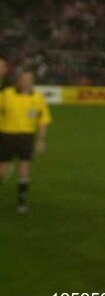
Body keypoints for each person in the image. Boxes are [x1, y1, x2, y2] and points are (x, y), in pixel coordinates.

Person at [0, 69, 51, 214]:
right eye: (23, 79)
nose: (25, 82)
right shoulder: (6, 94)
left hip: (26, 137)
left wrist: (41, 139)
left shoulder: (37, 98)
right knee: (1, 172)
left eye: (29, 79)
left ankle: (21, 204)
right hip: (6, 135)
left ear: (32, 81)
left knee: (24, 168)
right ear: (18, 80)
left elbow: (43, 120)